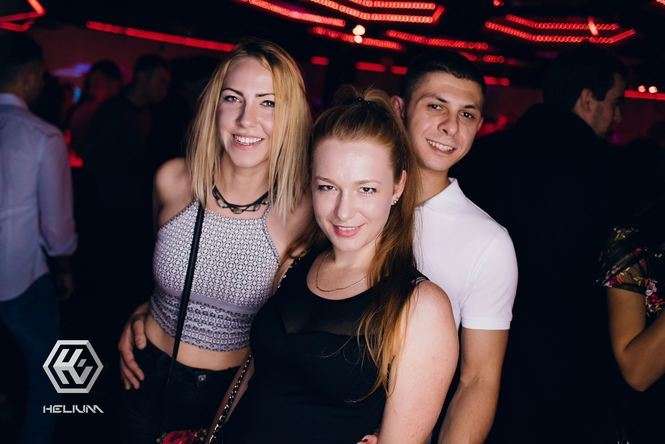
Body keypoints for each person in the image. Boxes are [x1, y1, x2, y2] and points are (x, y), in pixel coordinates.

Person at [221, 87, 458, 444]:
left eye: (366, 189)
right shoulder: (297, 260)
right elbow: (251, 377)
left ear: (398, 186)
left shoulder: (422, 307)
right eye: (327, 187)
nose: (343, 212)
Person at [120, 39, 312, 443]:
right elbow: (156, 275)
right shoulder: (173, 180)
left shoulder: (303, 214)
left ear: (291, 117)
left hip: (227, 397)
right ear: (214, 106)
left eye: (268, 103)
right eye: (233, 98)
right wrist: (141, 311)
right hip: (143, 373)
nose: (246, 119)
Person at [458, 46, 628, 441]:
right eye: (616, 102)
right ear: (587, 99)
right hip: (572, 365)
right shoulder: (609, 170)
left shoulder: (484, 155)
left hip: (480, 348)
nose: (619, 116)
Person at [390, 51, 518, 443]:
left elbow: (478, 380)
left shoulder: (488, 242)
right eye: (436, 106)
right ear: (399, 110)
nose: (450, 126)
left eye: (467, 114)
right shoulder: (344, 201)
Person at [0, 33, 77, 444]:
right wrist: (64, 269)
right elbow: (57, 228)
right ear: (30, 77)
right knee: (46, 375)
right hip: (20, 278)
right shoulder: (43, 136)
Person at [68, 59, 123, 156]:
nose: (92, 90)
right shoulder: (86, 110)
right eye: (93, 84)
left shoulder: (123, 113)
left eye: (97, 83)